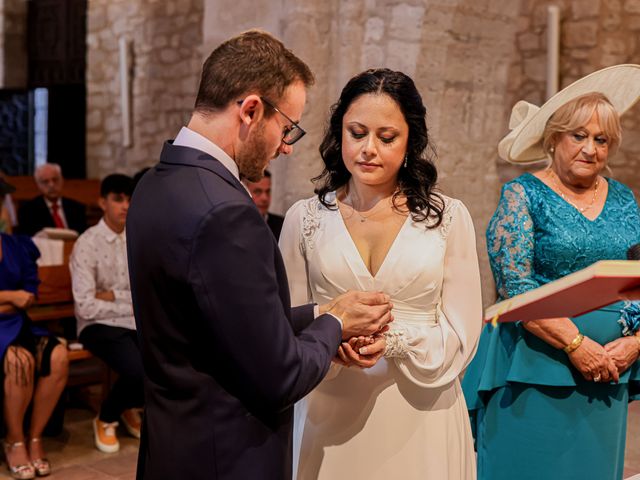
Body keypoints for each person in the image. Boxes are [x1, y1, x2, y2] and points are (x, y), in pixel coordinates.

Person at [126, 30, 393, 480]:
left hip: (173, 445)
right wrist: (336, 324)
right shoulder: (226, 212)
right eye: (287, 127)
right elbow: (280, 377)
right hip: (227, 455)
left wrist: (319, 313)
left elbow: (217, 327)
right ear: (251, 110)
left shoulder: (156, 183)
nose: (286, 146)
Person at [279, 68, 483, 479]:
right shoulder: (304, 219)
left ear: (411, 142)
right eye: (357, 133)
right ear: (340, 135)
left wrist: (393, 343)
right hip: (328, 403)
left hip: (422, 406)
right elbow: (288, 319)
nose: (369, 148)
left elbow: (463, 332)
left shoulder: (447, 218)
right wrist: (331, 342)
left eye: (386, 137)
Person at [462, 65, 640, 480]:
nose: (590, 149)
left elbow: (639, 278)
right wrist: (577, 345)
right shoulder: (522, 194)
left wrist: (635, 343)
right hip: (533, 367)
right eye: (578, 136)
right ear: (554, 138)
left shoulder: (626, 199)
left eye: (602, 140)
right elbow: (515, 285)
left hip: (608, 374)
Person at [69, 174, 143, 454]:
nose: (125, 206)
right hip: (96, 325)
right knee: (139, 370)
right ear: (102, 202)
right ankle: (108, 415)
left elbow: (144, 293)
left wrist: (113, 295)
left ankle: (126, 408)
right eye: (117, 199)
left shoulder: (136, 237)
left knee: (168, 358)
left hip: (135, 321)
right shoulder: (87, 243)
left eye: (129, 199)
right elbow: (86, 305)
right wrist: (129, 302)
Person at [0, 232, 69, 479]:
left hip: (18, 323)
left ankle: (35, 436)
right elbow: (18, 297)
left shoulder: (16, 245)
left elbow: (29, 294)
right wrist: (10, 296)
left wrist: (16, 301)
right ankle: (14, 440)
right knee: (19, 361)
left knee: (59, 356)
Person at [17, 163, 87, 236]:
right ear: (38, 185)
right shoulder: (28, 211)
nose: (51, 185)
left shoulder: (77, 208)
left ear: (62, 181)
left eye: (55, 180)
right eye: (45, 181)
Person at [244, 170, 285, 239]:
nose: (264, 198)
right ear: (245, 192)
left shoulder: (282, 225)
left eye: (268, 191)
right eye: (257, 192)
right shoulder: (237, 225)